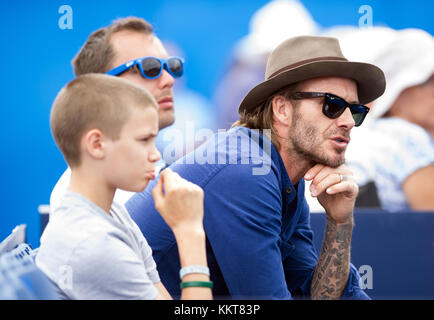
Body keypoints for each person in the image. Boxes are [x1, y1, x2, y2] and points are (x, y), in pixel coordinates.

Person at [126, 35, 386, 299]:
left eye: (355, 111)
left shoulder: (281, 175)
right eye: (332, 105)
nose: (348, 122)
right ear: (282, 110)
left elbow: (316, 294)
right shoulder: (247, 171)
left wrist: (340, 222)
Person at [36, 74, 212, 300]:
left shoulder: (112, 213)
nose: (156, 154)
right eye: (143, 140)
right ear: (97, 144)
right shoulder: (95, 244)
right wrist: (190, 231)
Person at [50, 17, 182, 209]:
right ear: (100, 86)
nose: (169, 79)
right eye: (150, 68)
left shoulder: (127, 175)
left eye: (173, 66)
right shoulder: (92, 199)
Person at [343, 28, 434, 212]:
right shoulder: (408, 137)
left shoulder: (365, 134)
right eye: (429, 81)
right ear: (399, 91)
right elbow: (430, 219)